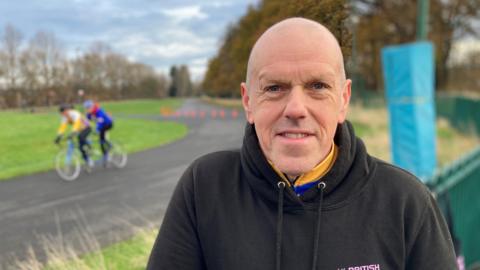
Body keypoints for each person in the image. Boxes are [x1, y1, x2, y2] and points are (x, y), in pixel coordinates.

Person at [147, 18, 457, 269]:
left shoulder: (405, 202)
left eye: (318, 86)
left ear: (343, 99)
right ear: (248, 101)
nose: (296, 108)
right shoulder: (204, 188)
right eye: (275, 87)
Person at [54, 103, 93, 169]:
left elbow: (77, 124)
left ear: (66, 111)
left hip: (86, 127)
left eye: (63, 113)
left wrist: (73, 133)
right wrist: (58, 137)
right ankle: (87, 160)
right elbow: (62, 127)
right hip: (79, 130)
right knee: (78, 146)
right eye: (61, 113)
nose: (62, 115)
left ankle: (89, 147)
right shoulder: (64, 117)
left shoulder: (75, 113)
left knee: (80, 138)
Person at [83, 100, 113, 165]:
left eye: (88, 108)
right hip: (101, 126)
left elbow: (100, 122)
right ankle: (106, 154)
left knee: (102, 139)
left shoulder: (99, 111)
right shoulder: (89, 114)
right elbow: (86, 121)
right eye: (86, 108)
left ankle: (109, 145)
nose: (87, 110)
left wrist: (97, 130)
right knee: (100, 141)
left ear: (92, 107)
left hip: (107, 124)